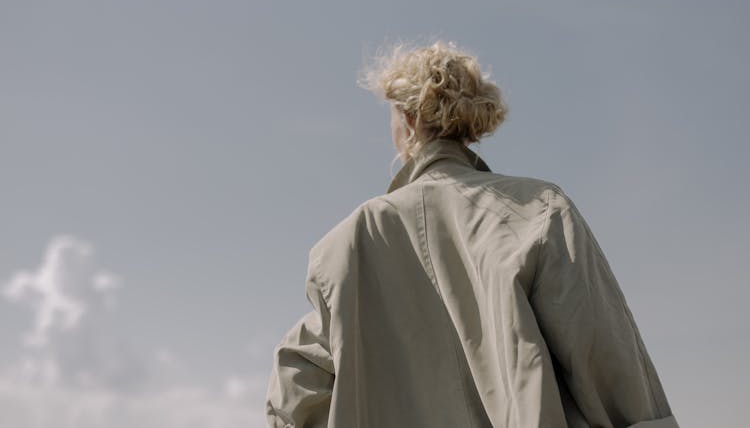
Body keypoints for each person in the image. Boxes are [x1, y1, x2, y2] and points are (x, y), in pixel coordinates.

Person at [265, 40, 679, 428]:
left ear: (408, 121)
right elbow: (609, 364)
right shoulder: (540, 209)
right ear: (472, 121)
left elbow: (295, 387)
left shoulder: (345, 244)